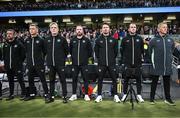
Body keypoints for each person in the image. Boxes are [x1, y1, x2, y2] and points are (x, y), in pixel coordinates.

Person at [149, 22, 175, 106]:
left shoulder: (170, 40)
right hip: (156, 65)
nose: (165, 29)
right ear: (159, 29)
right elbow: (149, 52)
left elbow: (172, 51)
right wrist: (153, 62)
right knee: (154, 82)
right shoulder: (153, 40)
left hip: (167, 65)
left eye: (166, 27)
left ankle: (168, 99)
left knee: (167, 83)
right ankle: (151, 98)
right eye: (163, 27)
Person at [94, 23, 121, 103]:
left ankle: (115, 95)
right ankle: (99, 95)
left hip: (111, 63)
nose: (105, 29)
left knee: (114, 79)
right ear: (101, 29)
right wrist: (101, 59)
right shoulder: (98, 40)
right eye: (104, 27)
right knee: (100, 80)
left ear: (109, 29)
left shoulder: (114, 40)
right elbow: (96, 52)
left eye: (107, 27)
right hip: (101, 64)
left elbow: (116, 52)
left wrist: (111, 59)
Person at [24, 23, 49, 102]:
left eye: (33, 28)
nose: (31, 30)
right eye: (30, 29)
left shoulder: (41, 40)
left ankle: (46, 94)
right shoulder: (27, 40)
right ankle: (32, 94)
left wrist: (41, 60)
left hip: (39, 64)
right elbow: (26, 52)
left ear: (37, 30)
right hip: (30, 64)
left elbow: (45, 52)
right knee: (30, 80)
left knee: (43, 79)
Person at [120, 23, 144, 103]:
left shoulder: (140, 39)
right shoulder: (124, 39)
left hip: (137, 63)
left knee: (138, 79)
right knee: (126, 79)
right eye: (131, 27)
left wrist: (140, 60)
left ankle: (139, 95)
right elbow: (122, 51)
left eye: (134, 27)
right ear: (129, 29)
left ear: (136, 29)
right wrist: (124, 61)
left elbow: (142, 51)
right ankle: (124, 94)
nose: (133, 28)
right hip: (127, 63)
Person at [44, 22, 68, 103]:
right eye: (52, 28)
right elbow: (45, 52)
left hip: (60, 64)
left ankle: (64, 96)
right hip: (50, 64)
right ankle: (51, 97)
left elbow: (66, 51)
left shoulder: (62, 39)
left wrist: (61, 60)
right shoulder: (47, 40)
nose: (54, 29)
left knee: (63, 80)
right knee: (51, 81)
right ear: (50, 29)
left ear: (58, 29)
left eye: (55, 27)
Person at [69, 25, 93, 101]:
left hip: (84, 64)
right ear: (76, 31)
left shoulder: (87, 40)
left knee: (86, 79)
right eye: (77, 29)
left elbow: (90, 52)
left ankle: (86, 94)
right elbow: (70, 51)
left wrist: (84, 58)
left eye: (80, 29)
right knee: (74, 79)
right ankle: (74, 94)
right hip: (75, 64)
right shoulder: (73, 40)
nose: (79, 31)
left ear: (82, 31)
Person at [3, 29, 26, 100]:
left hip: (17, 66)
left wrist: (18, 63)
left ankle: (24, 93)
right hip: (8, 66)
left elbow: (23, 55)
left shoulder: (19, 44)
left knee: (20, 80)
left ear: (14, 35)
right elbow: (4, 55)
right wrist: (6, 64)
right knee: (10, 81)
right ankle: (11, 94)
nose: (8, 35)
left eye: (10, 33)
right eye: (7, 34)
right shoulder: (5, 45)